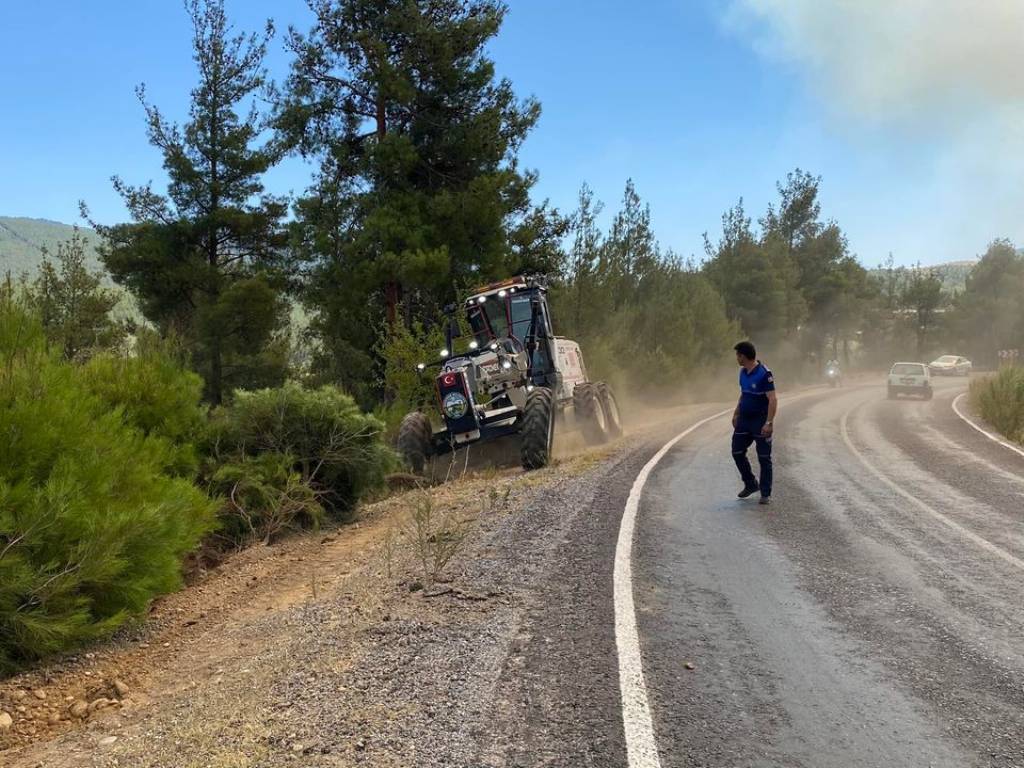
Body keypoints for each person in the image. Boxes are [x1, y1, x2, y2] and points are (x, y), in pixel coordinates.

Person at [731, 341, 777, 505]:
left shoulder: (765, 373)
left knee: (764, 457)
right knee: (737, 452)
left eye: (737, 355)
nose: (736, 358)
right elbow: (743, 394)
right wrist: (736, 412)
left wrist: (769, 423)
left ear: (743, 356)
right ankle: (751, 484)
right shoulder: (742, 373)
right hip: (744, 419)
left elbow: (772, 399)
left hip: (760, 420)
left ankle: (766, 493)